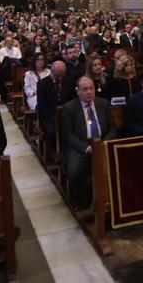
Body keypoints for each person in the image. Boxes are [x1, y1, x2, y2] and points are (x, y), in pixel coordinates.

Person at [60, 76, 117, 208]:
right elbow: (69, 135)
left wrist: (103, 144)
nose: (89, 92)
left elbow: (113, 129)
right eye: (85, 89)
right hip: (81, 146)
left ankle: (110, 200)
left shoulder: (103, 103)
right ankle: (83, 200)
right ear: (77, 91)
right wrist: (87, 148)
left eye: (91, 88)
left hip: (102, 143)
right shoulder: (69, 108)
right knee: (75, 170)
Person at [37, 61, 75, 156]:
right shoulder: (42, 84)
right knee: (52, 131)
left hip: (67, 115)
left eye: (62, 75)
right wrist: (56, 119)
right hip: (49, 117)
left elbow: (73, 100)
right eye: (58, 75)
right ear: (52, 71)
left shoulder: (69, 81)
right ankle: (55, 152)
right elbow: (42, 106)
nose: (60, 78)